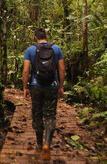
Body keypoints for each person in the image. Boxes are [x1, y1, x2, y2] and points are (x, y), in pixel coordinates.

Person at [22, 28, 65, 160]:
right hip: (52, 86)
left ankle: (39, 145)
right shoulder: (56, 49)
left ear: (35, 38)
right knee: (50, 114)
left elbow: (25, 70)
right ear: (46, 36)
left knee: (37, 114)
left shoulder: (30, 50)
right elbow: (62, 68)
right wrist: (61, 86)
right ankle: (47, 144)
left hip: (36, 87)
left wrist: (25, 87)